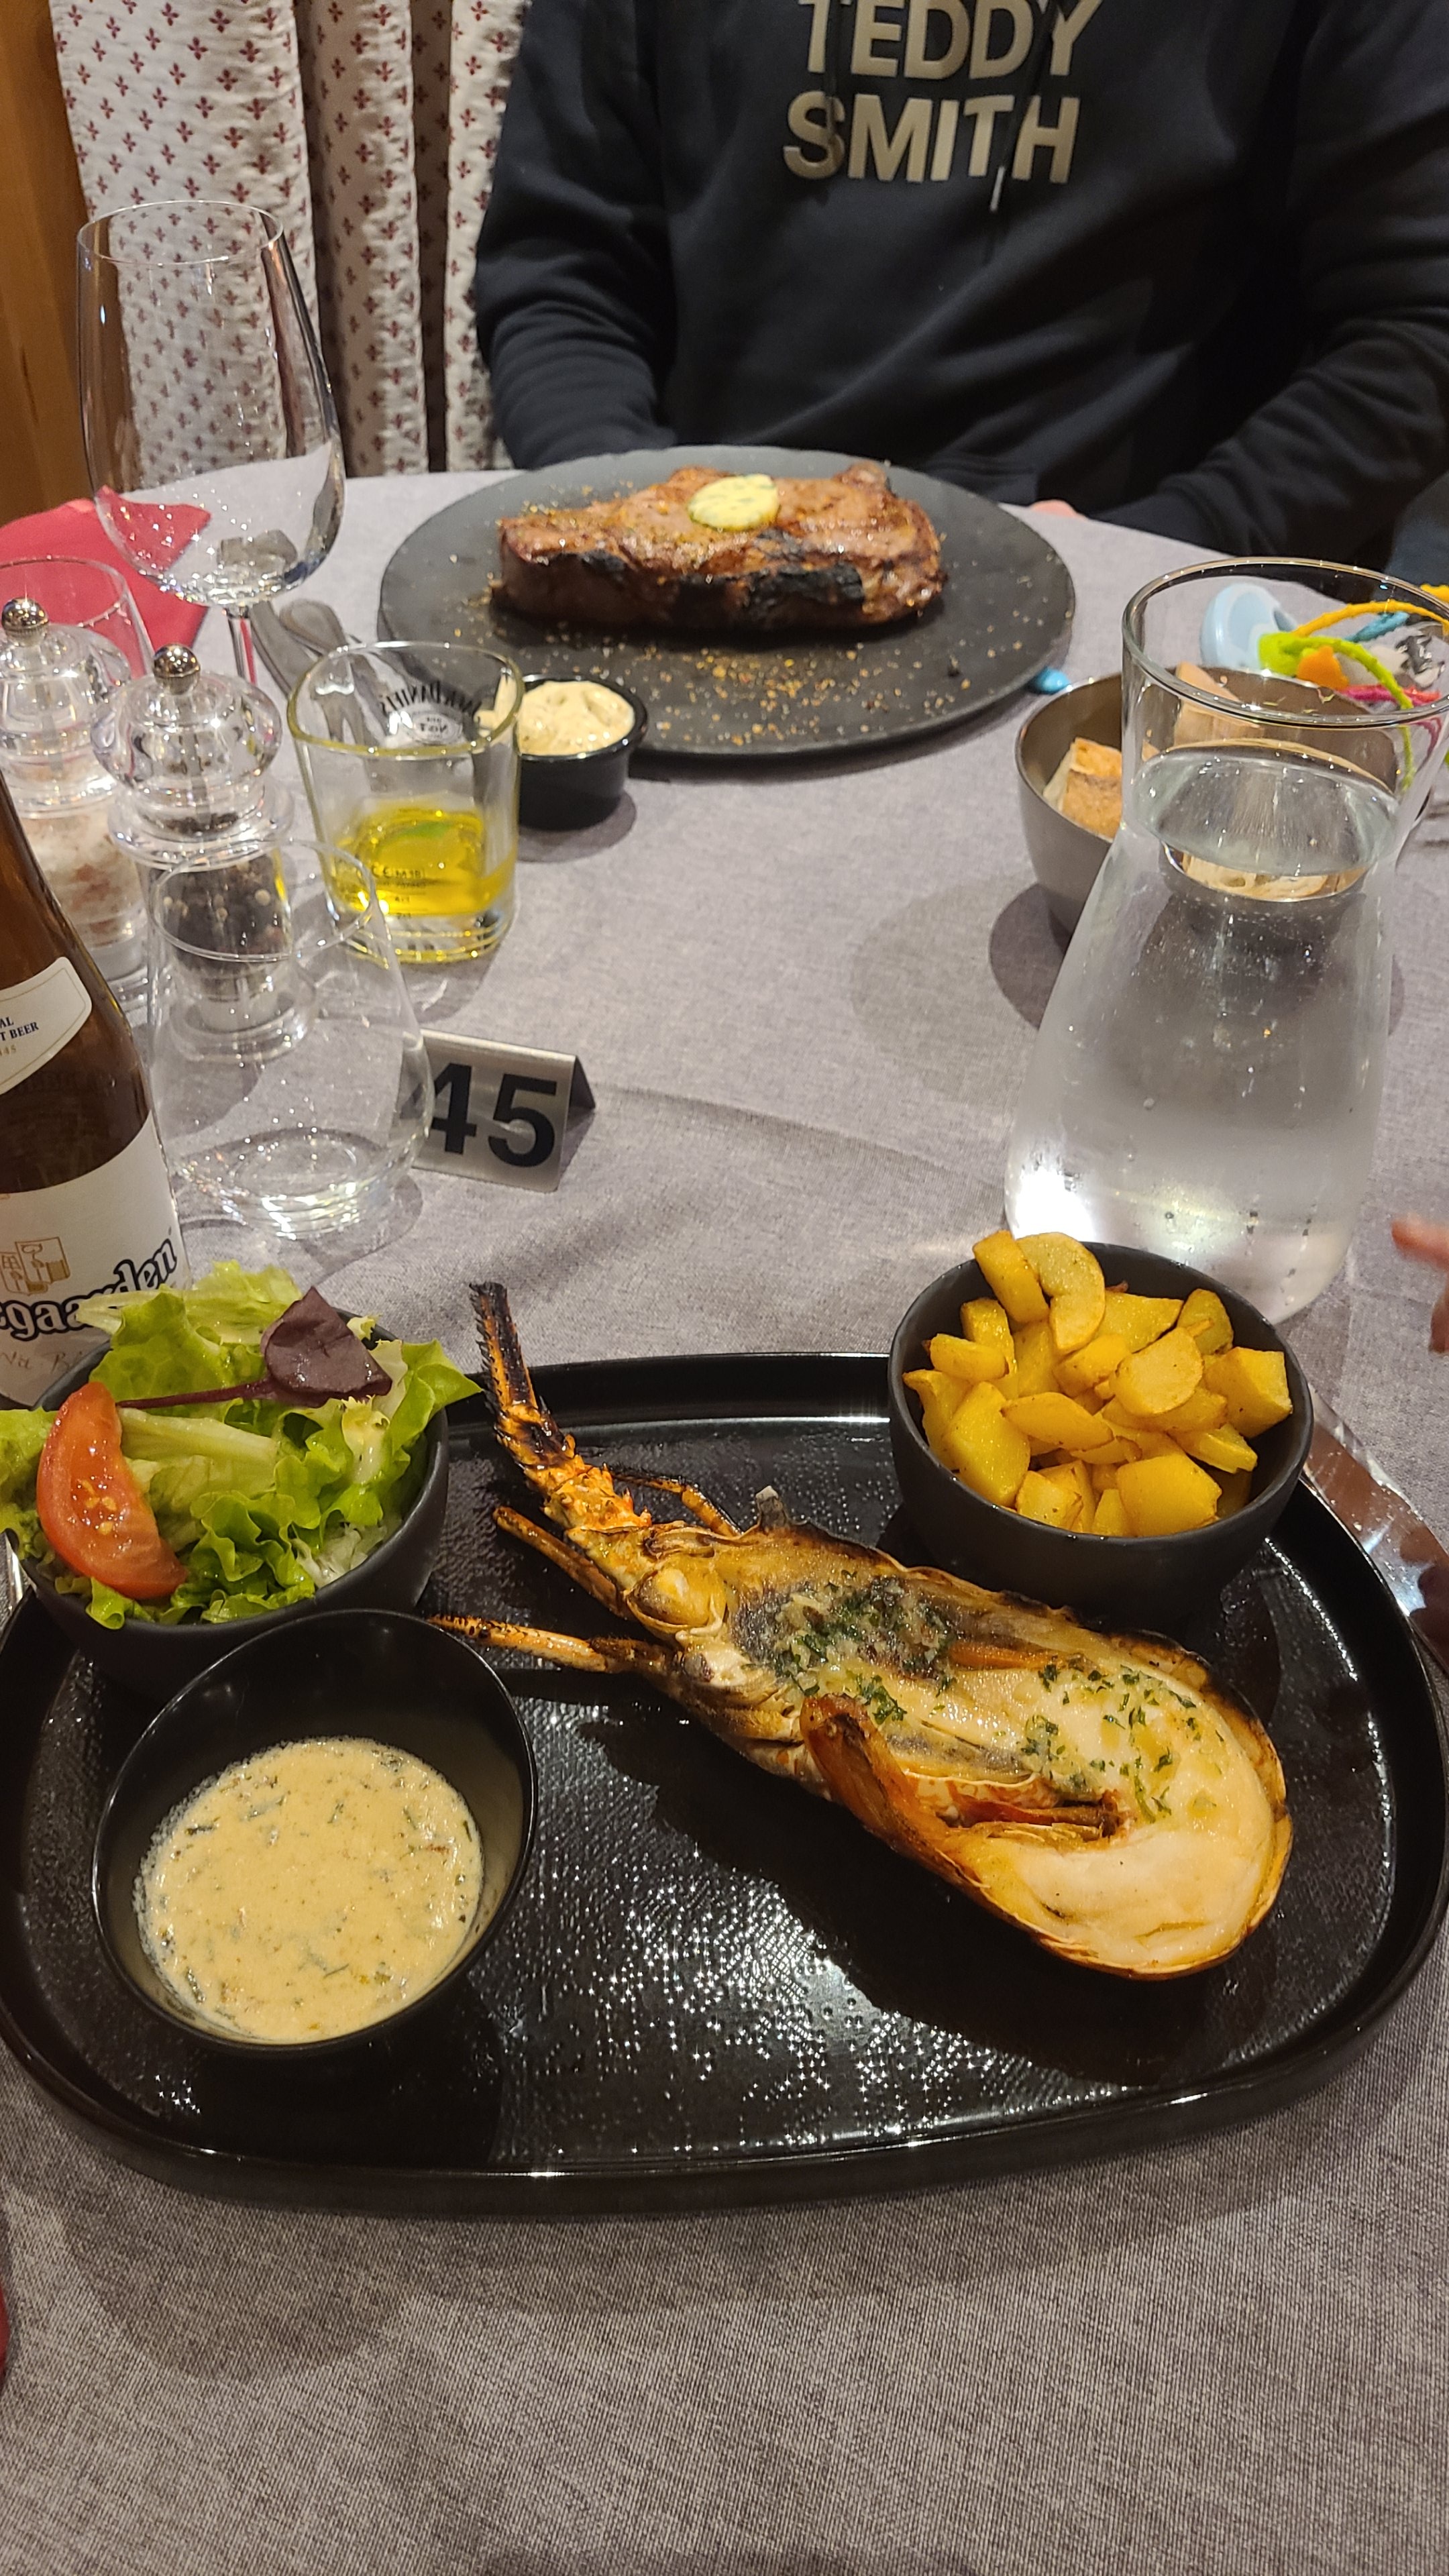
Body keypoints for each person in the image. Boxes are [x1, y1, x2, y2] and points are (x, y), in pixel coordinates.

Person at [474, 0, 1449, 562]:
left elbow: (1416, 325)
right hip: (704, 561)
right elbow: (564, 271)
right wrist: (642, 525)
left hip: (1127, 595)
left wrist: (1163, 547)